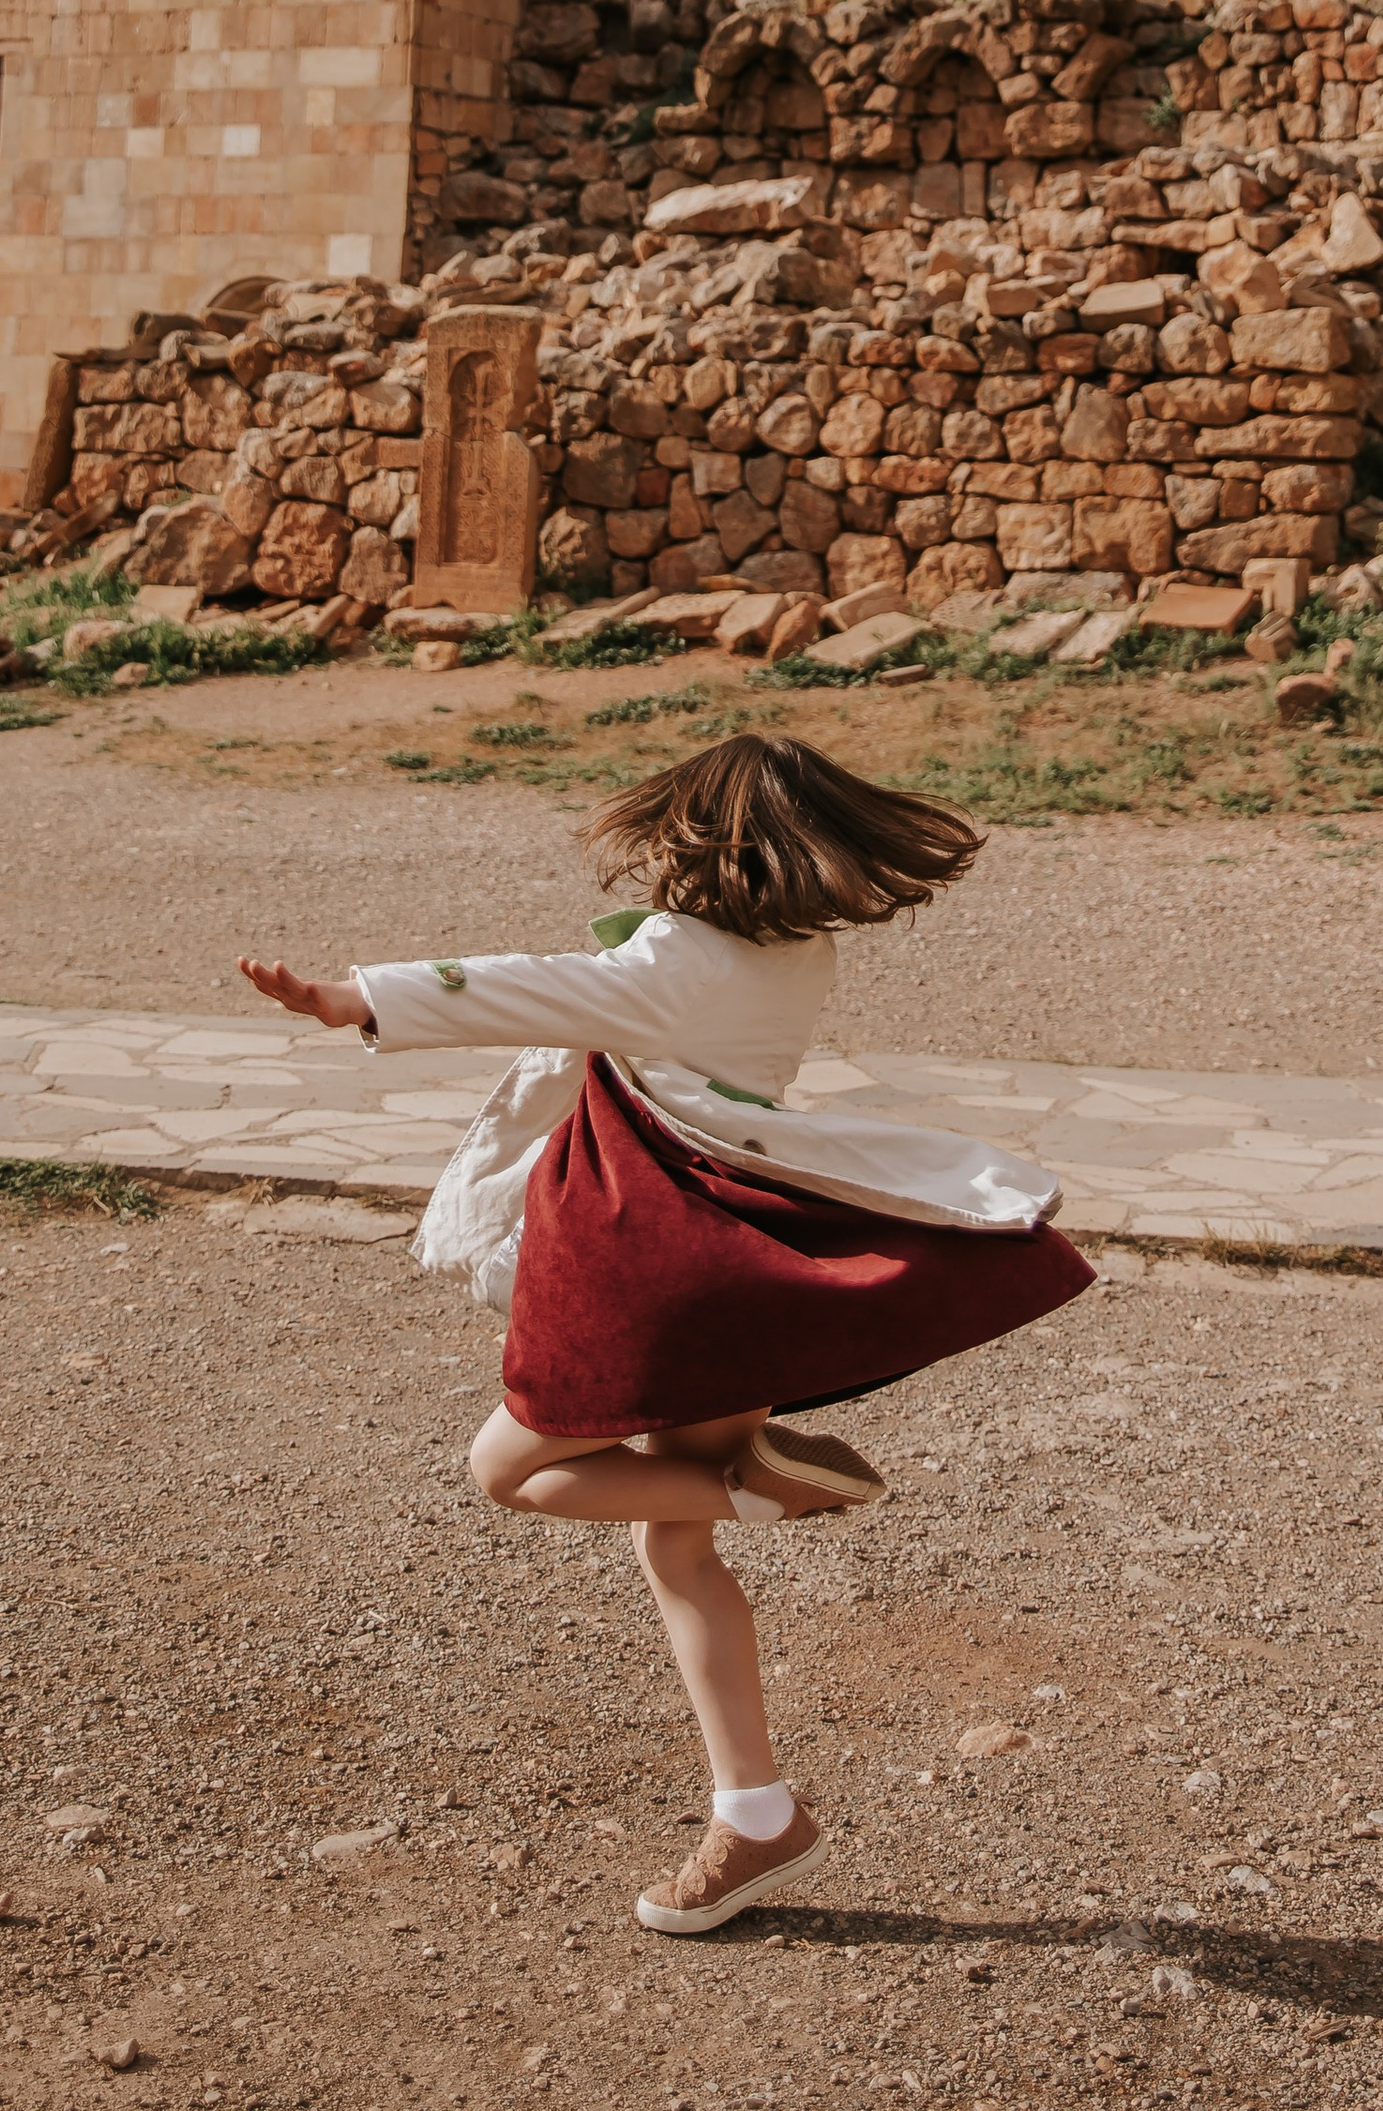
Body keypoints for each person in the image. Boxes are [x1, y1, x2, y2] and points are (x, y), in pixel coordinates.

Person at [239, 728, 1092, 1932]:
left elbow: (531, 980)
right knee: (671, 1539)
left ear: (692, 838)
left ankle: (756, 1493)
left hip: (652, 1270)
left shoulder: (673, 961)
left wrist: (352, 997)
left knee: (509, 1473)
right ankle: (755, 1814)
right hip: (730, 1273)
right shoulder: (799, 958)